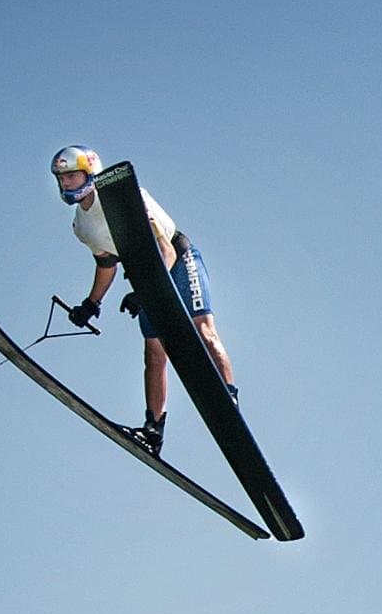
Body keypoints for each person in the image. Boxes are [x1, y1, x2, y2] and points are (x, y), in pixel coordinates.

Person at [49, 144, 239, 457]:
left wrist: (146, 291)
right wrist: (91, 303)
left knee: (202, 329)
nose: (65, 183)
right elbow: (106, 263)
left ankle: (228, 398)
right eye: (61, 178)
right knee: (154, 352)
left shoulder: (123, 199)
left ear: (89, 172)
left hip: (178, 258)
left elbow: (167, 251)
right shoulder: (81, 226)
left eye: (71, 176)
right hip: (142, 273)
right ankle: (153, 432)